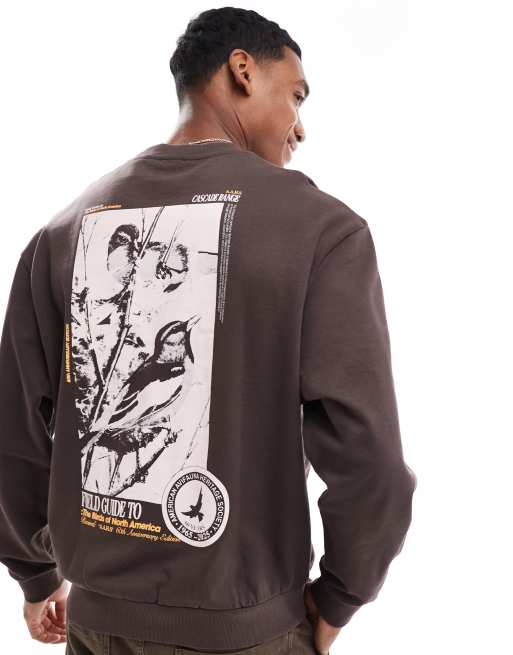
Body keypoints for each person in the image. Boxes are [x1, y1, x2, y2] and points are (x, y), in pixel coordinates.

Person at [0, 7, 417, 655]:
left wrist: (35, 573)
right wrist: (340, 596)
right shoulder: (319, 229)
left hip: (97, 625)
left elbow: (14, 430)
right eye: (296, 95)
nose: (300, 126)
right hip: (246, 633)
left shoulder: (62, 231)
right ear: (242, 71)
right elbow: (370, 460)